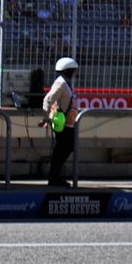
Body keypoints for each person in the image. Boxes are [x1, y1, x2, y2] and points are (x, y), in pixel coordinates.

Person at [43, 55, 79, 187]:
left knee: (64, 147)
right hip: (61, 121)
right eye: (73, 70)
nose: (75, 73)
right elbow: (48, 99)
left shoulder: (65, 82)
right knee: (64, 147)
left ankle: (55, 176)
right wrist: (47, 116)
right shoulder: (61, 83)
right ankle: (54, 177)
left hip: (67, 122)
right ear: (67, 70)